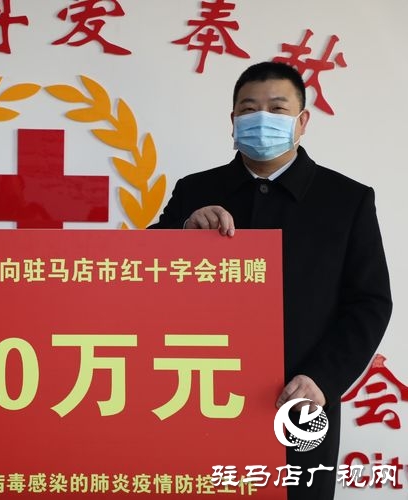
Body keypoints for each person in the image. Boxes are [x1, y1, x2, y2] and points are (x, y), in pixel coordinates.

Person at [148, 62, 392, 499]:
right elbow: (139, 273)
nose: (261, 118)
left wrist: (323, 378)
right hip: (197, 393)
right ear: (233, 120)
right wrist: (182, 234)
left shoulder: (346, 199)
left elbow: (370, 302)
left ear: (302, 121)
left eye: (277, 108)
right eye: (248, 109)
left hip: (299, 399)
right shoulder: (195, 191)